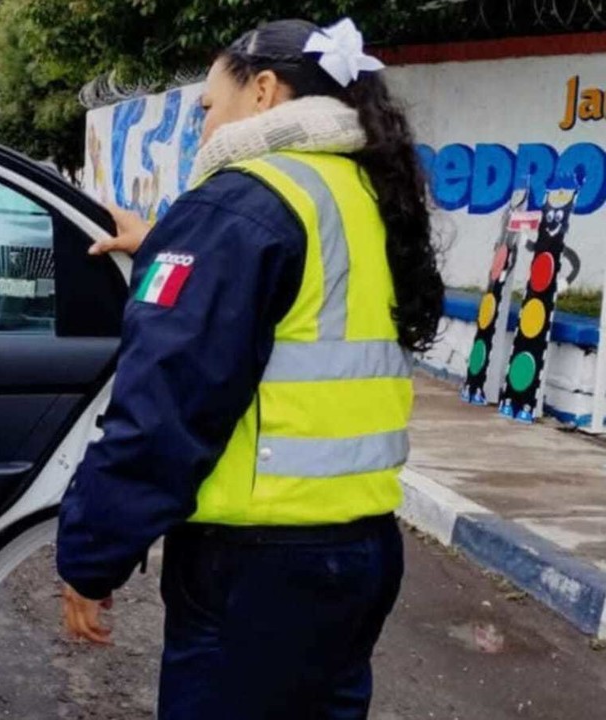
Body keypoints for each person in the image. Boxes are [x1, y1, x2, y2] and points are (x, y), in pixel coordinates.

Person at [56, 17, 444, 719]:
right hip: (361, 555)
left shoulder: (241, 204)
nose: (201, 128)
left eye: (206, 107)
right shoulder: (363, 193)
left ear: (264, 90)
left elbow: (164, 407)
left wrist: (91, 555)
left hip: (256, 572)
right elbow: (292, 307)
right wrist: (165, 243)